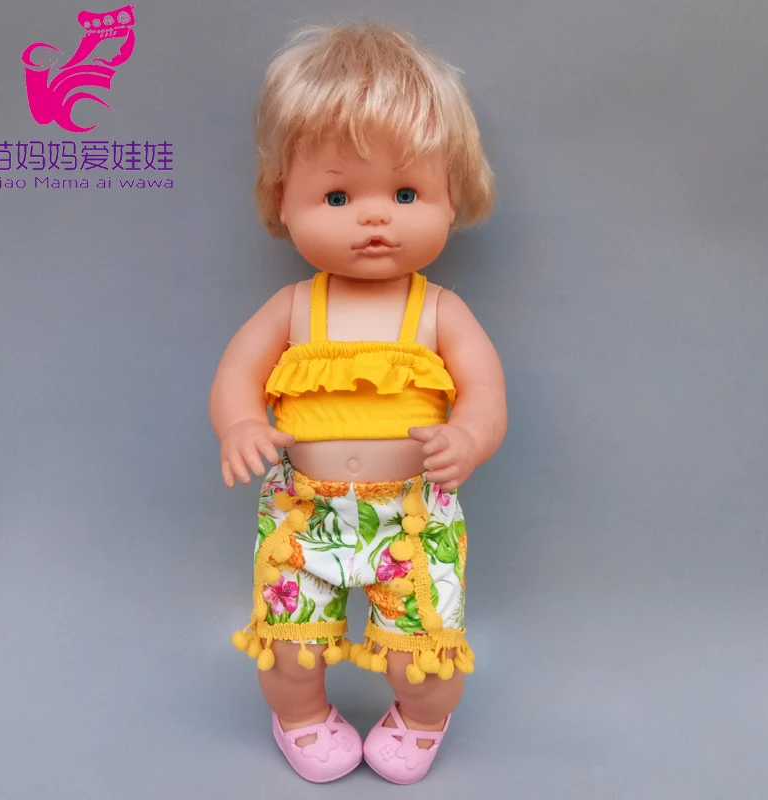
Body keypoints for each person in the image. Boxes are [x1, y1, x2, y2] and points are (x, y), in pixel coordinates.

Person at [210, 20, 507, 785]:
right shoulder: (293, 308)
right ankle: (301, 716)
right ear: (283, 200)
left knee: (425, 654)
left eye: (405, 193)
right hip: (303, 514)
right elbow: (239, 371)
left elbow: (484, 392)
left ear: (452, 197)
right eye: (338, 195)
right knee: (289, 648)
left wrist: (469, 439)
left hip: (412, 515)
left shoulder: (439, 311)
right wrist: (240, 423)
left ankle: (422, 718)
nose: (374, 217)